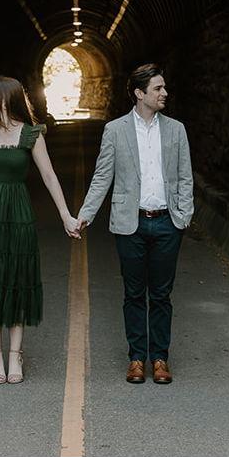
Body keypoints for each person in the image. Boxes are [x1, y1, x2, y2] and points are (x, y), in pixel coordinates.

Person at [0, 75, 79, 384]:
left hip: (17, 214)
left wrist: (65, 215)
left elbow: (48, 176)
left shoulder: (31, 135)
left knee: (16, 279)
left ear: (5, 98)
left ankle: (15, 355)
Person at [73, 64, 193, 384]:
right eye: (157, 88)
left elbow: (184, 177)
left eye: (164, 87)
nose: (164, 93)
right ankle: (137, 358)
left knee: (162, 295)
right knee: (134, 294)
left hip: (167, 223)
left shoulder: (176, 130)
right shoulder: (115, 130)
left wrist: (184, 215)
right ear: (140, 94)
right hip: (131, 224)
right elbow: (102, 176)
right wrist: (85, 215)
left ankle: (161, 359)